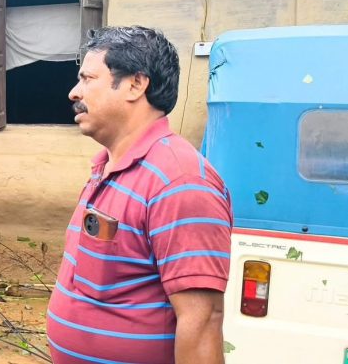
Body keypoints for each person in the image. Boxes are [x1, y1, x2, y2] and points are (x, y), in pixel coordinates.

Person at [47, 26, 232, 364]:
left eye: (87, 79)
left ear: (135, 84)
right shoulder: (106, 166)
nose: (74, 92)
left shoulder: (181, 182)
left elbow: (202, 321)